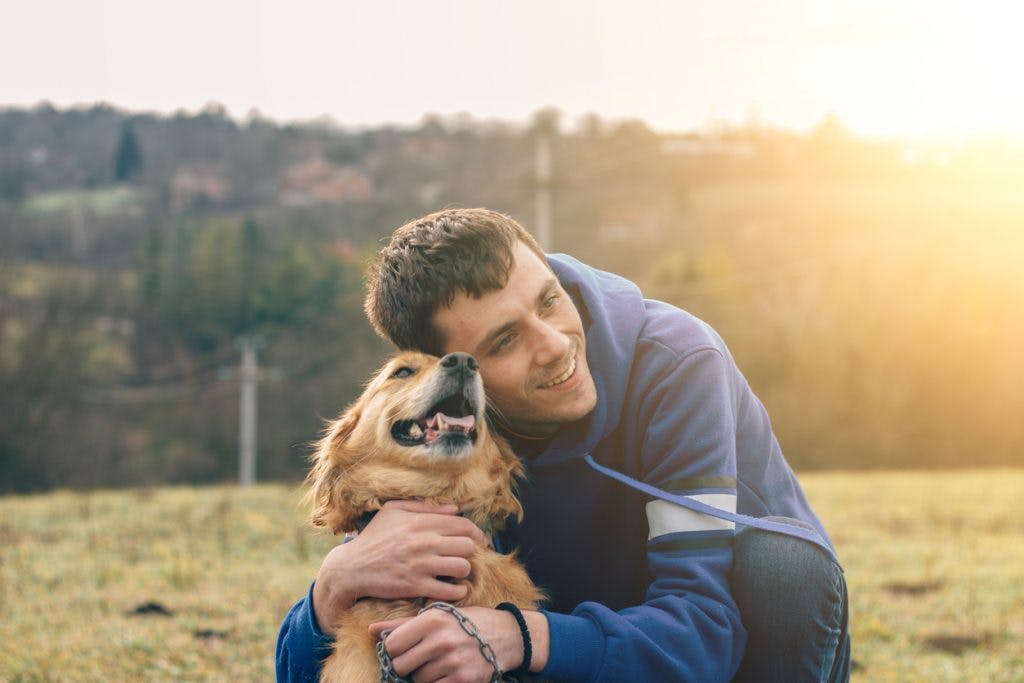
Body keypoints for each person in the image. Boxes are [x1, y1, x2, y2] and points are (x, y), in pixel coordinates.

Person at [276, 208, 851, 682]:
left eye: (549, 300)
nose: (553, 345)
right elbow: (323, 660)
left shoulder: (679, 364)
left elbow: (704, 632)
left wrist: (518, 635)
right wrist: (334, 588)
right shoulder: (448, 433)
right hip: (566, 643)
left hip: (713, 637)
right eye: (504, 341)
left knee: (781, 568)